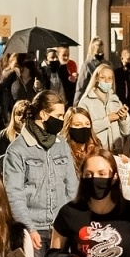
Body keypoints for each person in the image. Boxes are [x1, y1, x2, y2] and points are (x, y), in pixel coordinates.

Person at [4, 92, 77, 245]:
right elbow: (14, 194)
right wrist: (29, 228)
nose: (62, 120)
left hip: (60, 229)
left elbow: (72, 187)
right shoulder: (17, 149)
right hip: (34, 230)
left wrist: (72, 222)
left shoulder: (62, 145)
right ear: (43, 115)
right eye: (59, 115)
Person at [76, 64, 130, 153]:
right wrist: (107, 120)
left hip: (116, 152)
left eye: (110, 78)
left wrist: (123, 118)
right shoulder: (86, 102)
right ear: (96, 78)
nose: (106, 81)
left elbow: (126, 132)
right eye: (103, 77)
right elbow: (83, 130)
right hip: (96, 151)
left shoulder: (116, 101)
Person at [62, 106, 105, 181]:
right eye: (78, 125)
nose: (84, 128)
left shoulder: (97, 145)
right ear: (68, 126)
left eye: (87, 124)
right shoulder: (62, 149)